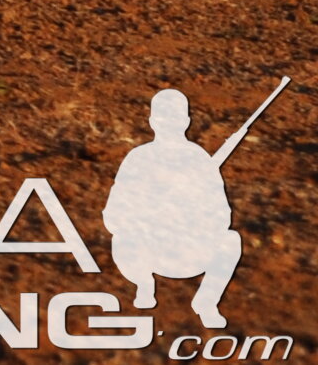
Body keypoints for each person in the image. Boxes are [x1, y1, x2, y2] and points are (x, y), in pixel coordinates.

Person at [106, 82, 260, 328]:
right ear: (153, 121)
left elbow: (223, 217)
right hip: (147, 251)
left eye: (173, 119)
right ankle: (145, 285)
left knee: (230, 240)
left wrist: (188, 215)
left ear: (185, 122)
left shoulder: (199, 160)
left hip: (190, 250)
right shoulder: (138, 158)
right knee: (121, 239)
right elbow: (113, 216)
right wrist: (149, 217)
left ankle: (206, 302)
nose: (168, 124)